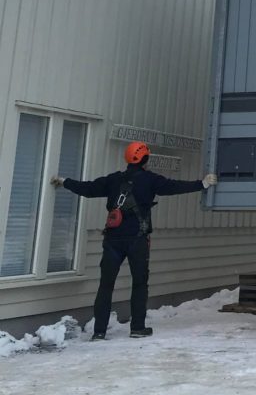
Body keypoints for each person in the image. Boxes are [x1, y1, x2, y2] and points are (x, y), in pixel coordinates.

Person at [51, 141, 217, 340]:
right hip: (137, 240)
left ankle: (99, 332)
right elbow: (174, 187)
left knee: (106, 285)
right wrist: (202, 184)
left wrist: (64, 181)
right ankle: (137, 328)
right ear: (145, 159)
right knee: (139, 283)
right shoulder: (150, 180)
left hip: (112, 240)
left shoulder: (113, 180)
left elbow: (88, 188)